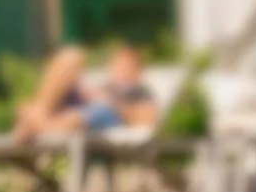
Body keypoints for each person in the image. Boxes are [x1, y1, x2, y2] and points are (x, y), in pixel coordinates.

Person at [12, 45, 159, 143]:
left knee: (94, 112)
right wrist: (88, 93)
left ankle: (35, 122)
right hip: (84, 107)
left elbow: (147, 120)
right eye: (117, 64)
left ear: (137, 70)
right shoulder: (105, 86)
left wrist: (108, 101)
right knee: (72, 57)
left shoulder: (141, 91)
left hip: (106, 116)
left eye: (127, 65)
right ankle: (40, 117)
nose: (121, 69)